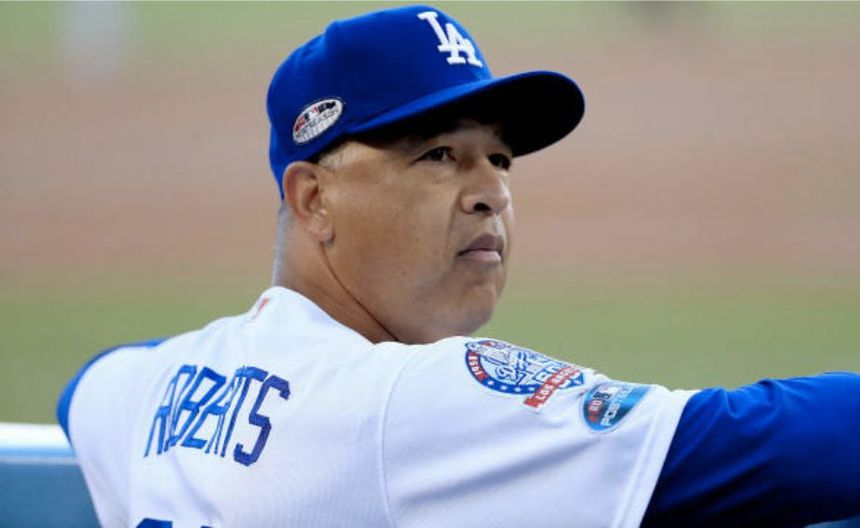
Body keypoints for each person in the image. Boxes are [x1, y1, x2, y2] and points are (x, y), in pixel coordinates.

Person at [57, 5, 860, 527]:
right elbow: (771, 446)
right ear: (313, 199)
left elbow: (83, 389)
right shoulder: (404, 402)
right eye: (438, 154)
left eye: (500, 159)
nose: (492, 193)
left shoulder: (149, 388)